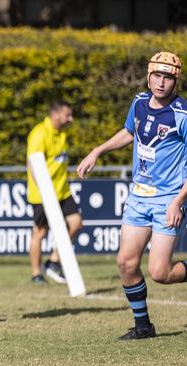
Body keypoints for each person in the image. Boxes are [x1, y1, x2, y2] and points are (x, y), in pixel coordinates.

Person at [77, 51, 187, 340]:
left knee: (160, 272)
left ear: (176, 81)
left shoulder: (182, 114)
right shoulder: (138, 102)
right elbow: (129, 133)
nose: (162, 82)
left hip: (168, 200)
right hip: (138, 198)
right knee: (126, 263)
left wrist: (178, 201)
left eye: (168, 77)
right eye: (157, 76)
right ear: (149, 76)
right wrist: (97, 150)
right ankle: (143, 327)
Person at [26, 100, 83, 284]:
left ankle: (53, 261)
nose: (71, 119)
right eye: (68, 115)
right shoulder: (39, 133)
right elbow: (32, 163)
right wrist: (44, 192)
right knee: (40, 233)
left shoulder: (62, 133)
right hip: (43, 194)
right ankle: (36, 274)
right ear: (56, 114)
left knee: (76, 223)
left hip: (62, 190)